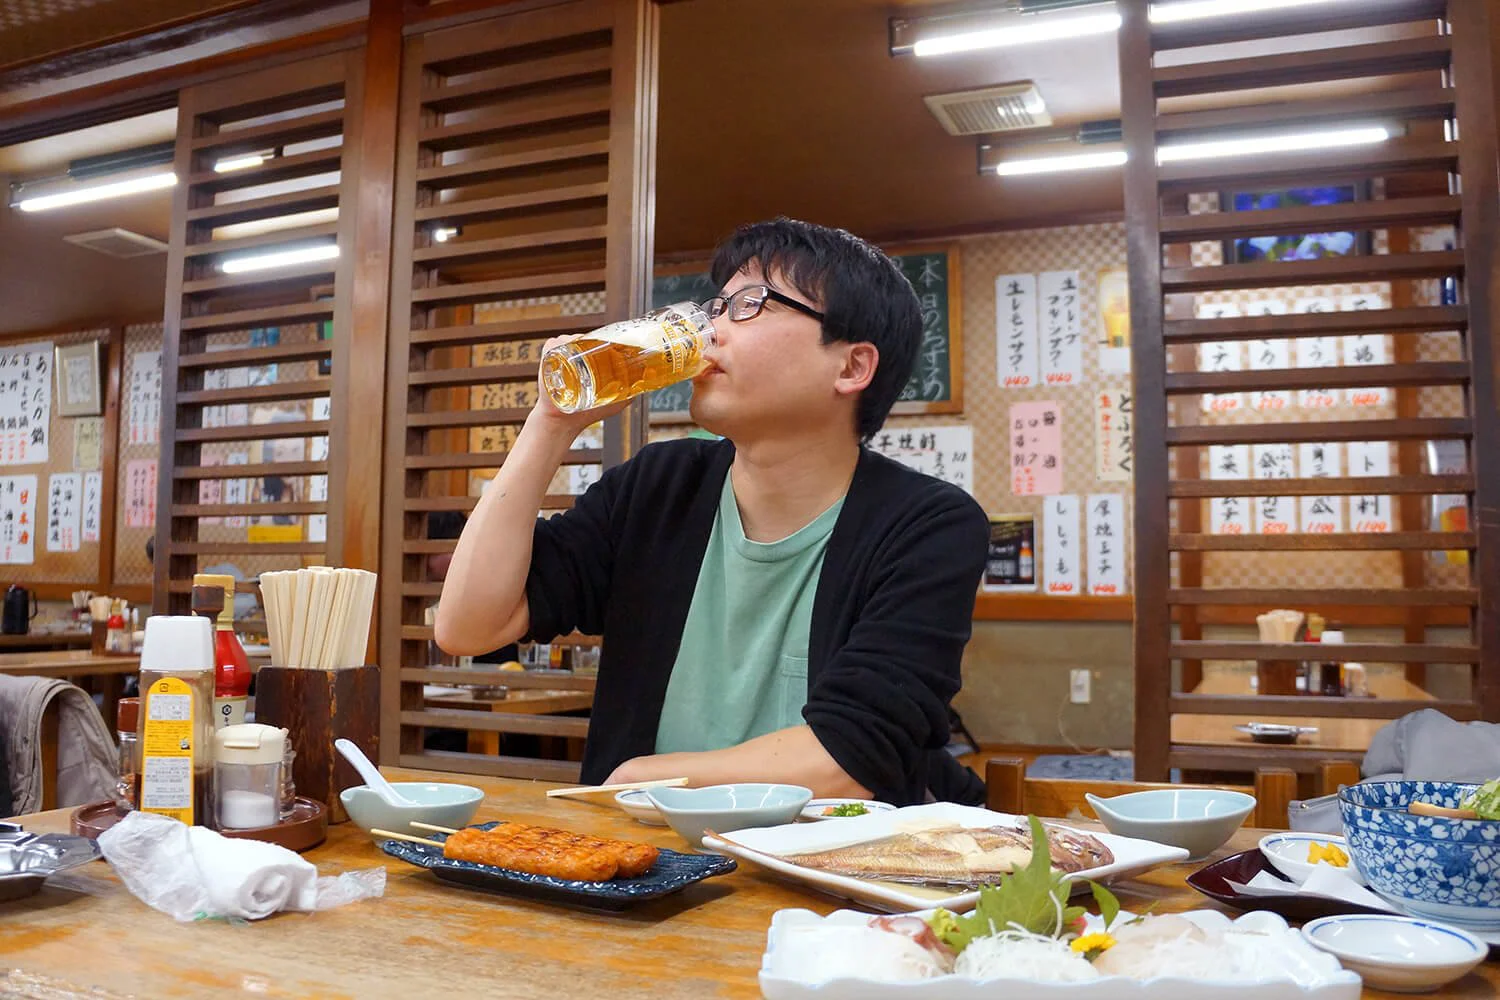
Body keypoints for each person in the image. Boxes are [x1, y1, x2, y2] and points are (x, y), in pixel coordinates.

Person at [437, 218, 987, 806]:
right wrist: (550, 423)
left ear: (851, 367)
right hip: (647, 874)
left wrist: (633, 779)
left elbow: (852, 757)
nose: (710, 331)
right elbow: (469, 626)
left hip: (832, 877)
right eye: (716, 304)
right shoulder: (659, 488)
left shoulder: (929, 526)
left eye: (750, 304)